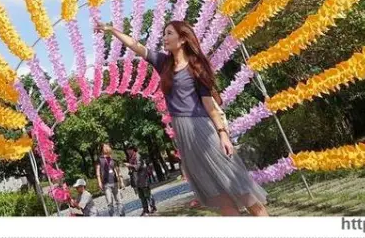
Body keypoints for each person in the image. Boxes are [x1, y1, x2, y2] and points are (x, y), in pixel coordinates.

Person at [94, 20, 269, 216]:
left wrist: (223, 134)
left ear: (183, 38)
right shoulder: (164, 64)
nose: (164, 37)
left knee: (240, 187)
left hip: (203, 130)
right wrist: (112, 30)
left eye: (169, 33)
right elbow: (137, 46)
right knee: (220, 197)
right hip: (184, 137)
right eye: (164, 33)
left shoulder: (197, 67)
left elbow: (210, 106)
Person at [95, 143, 125, 216]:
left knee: (119, 201)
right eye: (106, 147)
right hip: (106, 184)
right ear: (102, 149)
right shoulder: (99, 159)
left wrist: (121, 182)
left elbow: (117, 170)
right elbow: (98, 171)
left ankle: (122, 215)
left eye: (108, 146)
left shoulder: (113, 159)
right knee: (109, 202)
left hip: (115, 182)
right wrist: (99, 182)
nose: (108, 148)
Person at [126, 145, 157, 216]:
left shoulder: (137, 156)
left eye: (128, 150)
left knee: (147, 194)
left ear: (132, 149)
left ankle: (153, 207)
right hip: (136, 179)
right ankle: (145, 209)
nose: (127, 152)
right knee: (141, 196)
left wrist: (129, 165)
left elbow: (138, 166)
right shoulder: (131, 157)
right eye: (127, 150)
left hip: (142, 178)